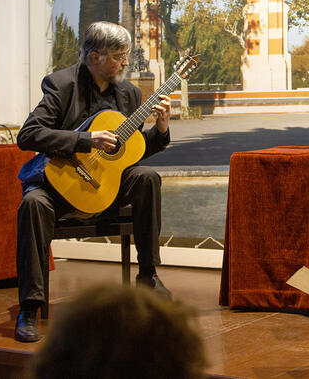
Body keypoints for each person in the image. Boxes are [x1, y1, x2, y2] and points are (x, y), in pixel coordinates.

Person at [14, 21, 173, 342]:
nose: (125, 62)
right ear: (95, 56)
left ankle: (148, 274)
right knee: (32, 202)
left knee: (146, 177)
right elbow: (28, 135)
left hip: (104, 190)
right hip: (59, 187)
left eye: (126, 55)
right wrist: (86, 139)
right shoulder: (61, 85)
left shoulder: (127, 93)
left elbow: (132, 152)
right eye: (118, 56)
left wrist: (161, 130)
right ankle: (30, 306)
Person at [28, 284, 206, 379]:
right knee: (31, 212)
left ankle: (148, 273)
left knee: (148, 211)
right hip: (61, 213)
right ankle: (30, 305)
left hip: (104, 213)